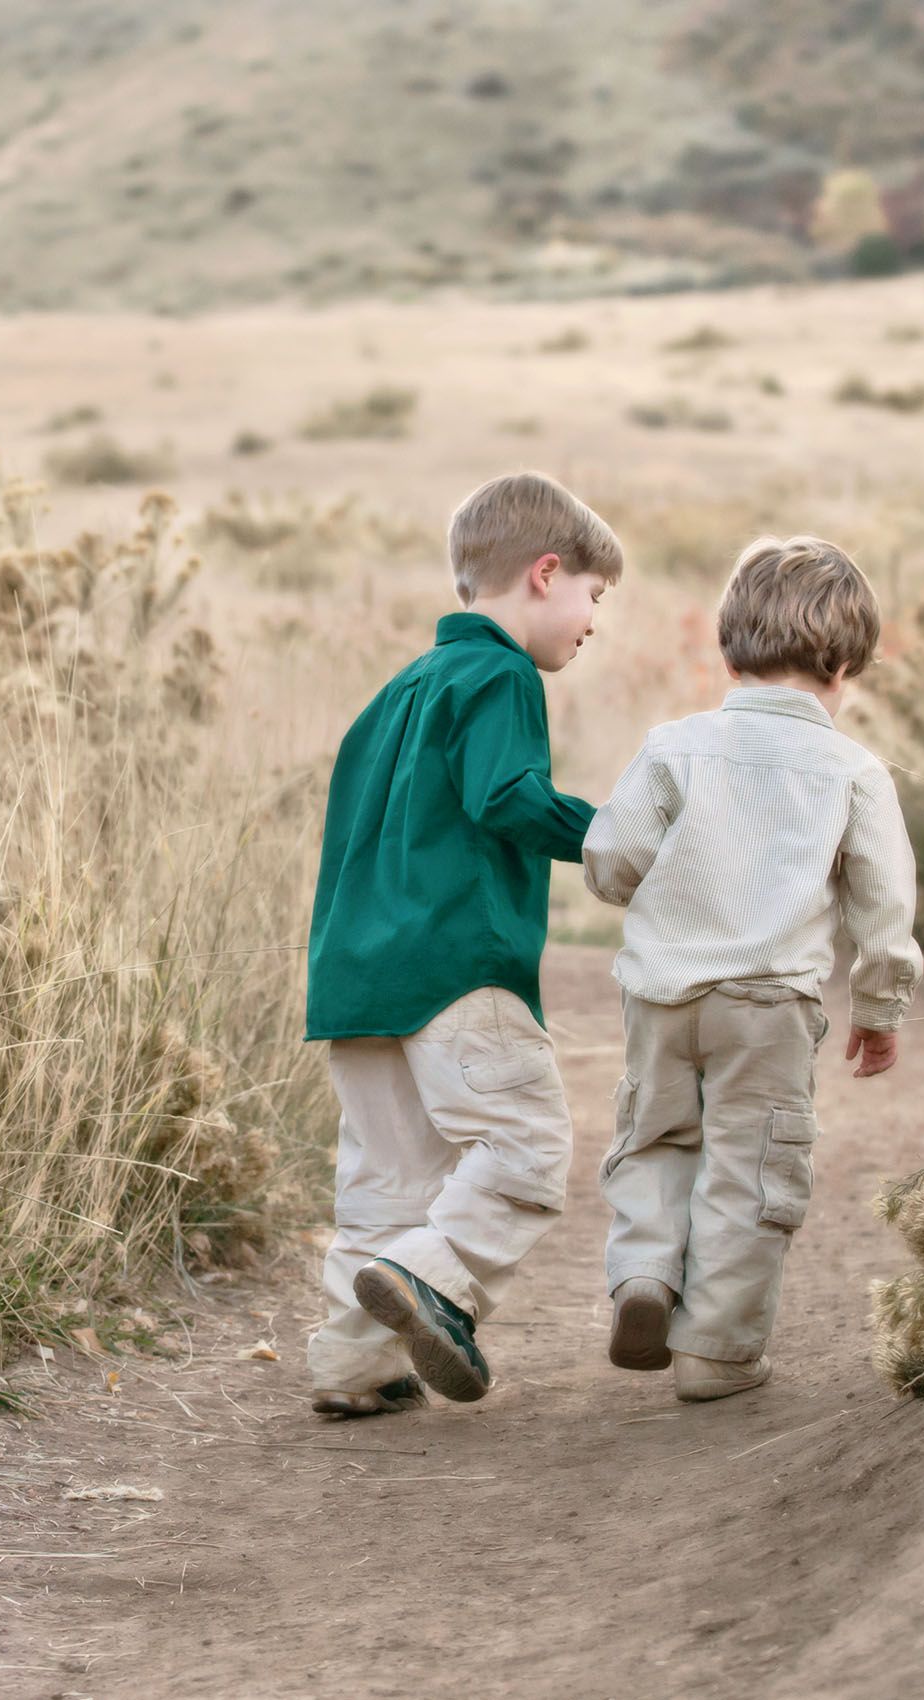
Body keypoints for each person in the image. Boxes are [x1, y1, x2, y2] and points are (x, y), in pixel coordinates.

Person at [302, 472, 622, 1414]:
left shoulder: (396, 693)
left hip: (357, 980)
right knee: (525, 1145)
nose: (592, 621)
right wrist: (616, 840)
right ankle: (437, 1283)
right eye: (593, 598)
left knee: (386, 1183)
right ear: (546, 572)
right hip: (455, 967)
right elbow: (506, 799)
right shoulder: (500, 674)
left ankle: (356, 1366)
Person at [582, 534, 920, 1402]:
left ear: (732, 645)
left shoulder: (673, 746)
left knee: (655, 1139)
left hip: (661, 997)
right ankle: (718, 1352)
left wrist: (658, 890)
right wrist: (879, 1012)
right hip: (769, 1005)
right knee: (751, 1167)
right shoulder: (853, 770)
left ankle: (647, 1277)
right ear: (843, 664)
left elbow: (613, 860)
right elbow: (884, 916)